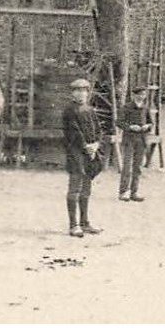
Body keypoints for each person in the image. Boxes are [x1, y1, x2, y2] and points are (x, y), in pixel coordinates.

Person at [61, 77, 104, 238]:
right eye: (77, 91)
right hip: (76, 153)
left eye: (84, 91)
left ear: (88, 93)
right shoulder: (69, 111)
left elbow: (99, 129)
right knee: (75, 188)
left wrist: (96, 145)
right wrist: (86, 146)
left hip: (90, 153)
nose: (81, 94)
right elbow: (74, 132)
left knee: (86, 189)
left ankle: (85, 222)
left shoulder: (90, 110)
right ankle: (74, 225)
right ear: (72, 93)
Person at [118, 85, 152, 202]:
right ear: (133, 95)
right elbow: (119, 122)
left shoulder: (145, 108)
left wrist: (147, 126)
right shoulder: (126, 107)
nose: (141, 97)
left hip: (142, 140)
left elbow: (150, 122)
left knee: (138, 167)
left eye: (143, 95)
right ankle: (123, 192)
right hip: (129, 140)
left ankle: (134, 192)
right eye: (139, 95)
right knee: (127, 166)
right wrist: (130, 127)